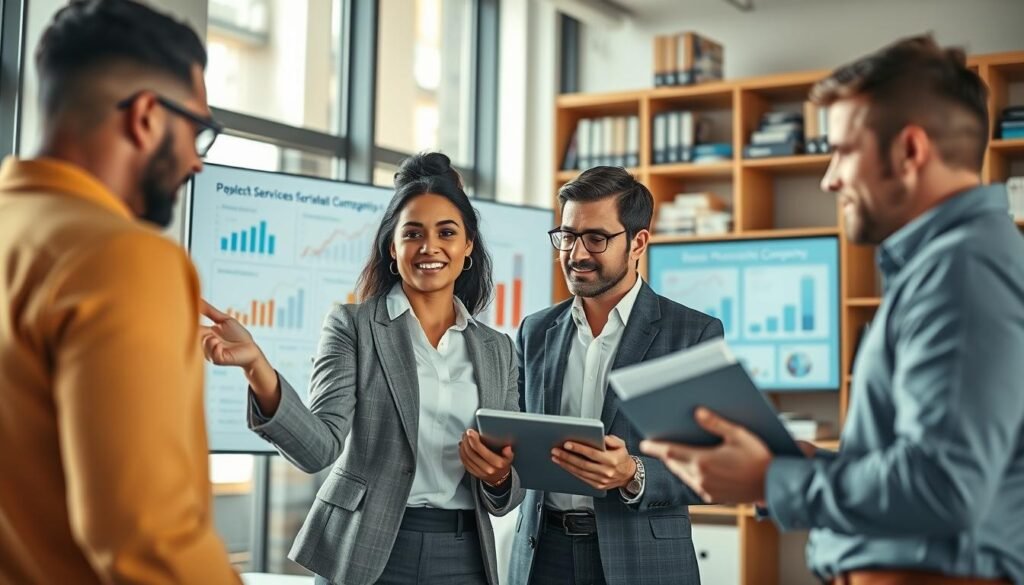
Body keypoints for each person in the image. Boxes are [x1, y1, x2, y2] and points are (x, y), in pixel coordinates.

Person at [641, 35, 1024, 585]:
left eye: (844, 150)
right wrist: (798, 467)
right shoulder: (954, 263)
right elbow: (926, 466)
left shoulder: (963, 270)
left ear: (910, 151)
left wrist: (771, 480)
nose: (830, 178)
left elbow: (945, 486)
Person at [201, 152, 524, 585]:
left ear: (467, 246)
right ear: (393, 247)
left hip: (464, 554)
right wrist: (257, 367)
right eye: (412, 233)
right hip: (366, 546)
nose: (429, 247)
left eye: (447, 232)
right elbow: (318, 449)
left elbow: (510, 489)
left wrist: (499, 477)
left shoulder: (497, 349)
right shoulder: (353, 326)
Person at [0, 1, 239, 583]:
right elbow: (148, 539)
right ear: (147, 117)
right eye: (197, 131)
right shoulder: (123, 257)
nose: (196, 162)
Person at [507, 166, 723, 585]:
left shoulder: (691, 334)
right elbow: (516, 441)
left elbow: (717, 468)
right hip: (542, 556)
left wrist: (633, 473)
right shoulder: (535, 330)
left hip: (642, 560)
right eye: (568, 236)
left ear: (638, 242)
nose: (576, 254)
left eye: (596, 238)